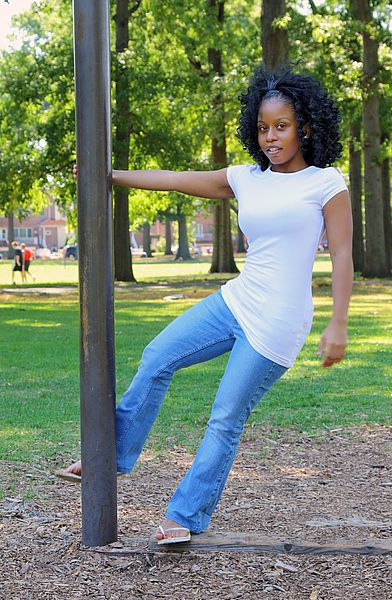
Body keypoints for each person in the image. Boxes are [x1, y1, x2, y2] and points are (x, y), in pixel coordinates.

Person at [59, 66, 353, 545]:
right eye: (263, 127)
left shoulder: (325, 183)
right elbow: (176, 179)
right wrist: (109, 175)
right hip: (235, 300)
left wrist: (338, 322)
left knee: (225, 415)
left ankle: (185, 516)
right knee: (157, 357)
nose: (271, 137)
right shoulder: (245, 178)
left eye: (282, 126)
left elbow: (342, 253)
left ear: (307, 127)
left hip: (277, 322)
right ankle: (111, 456)